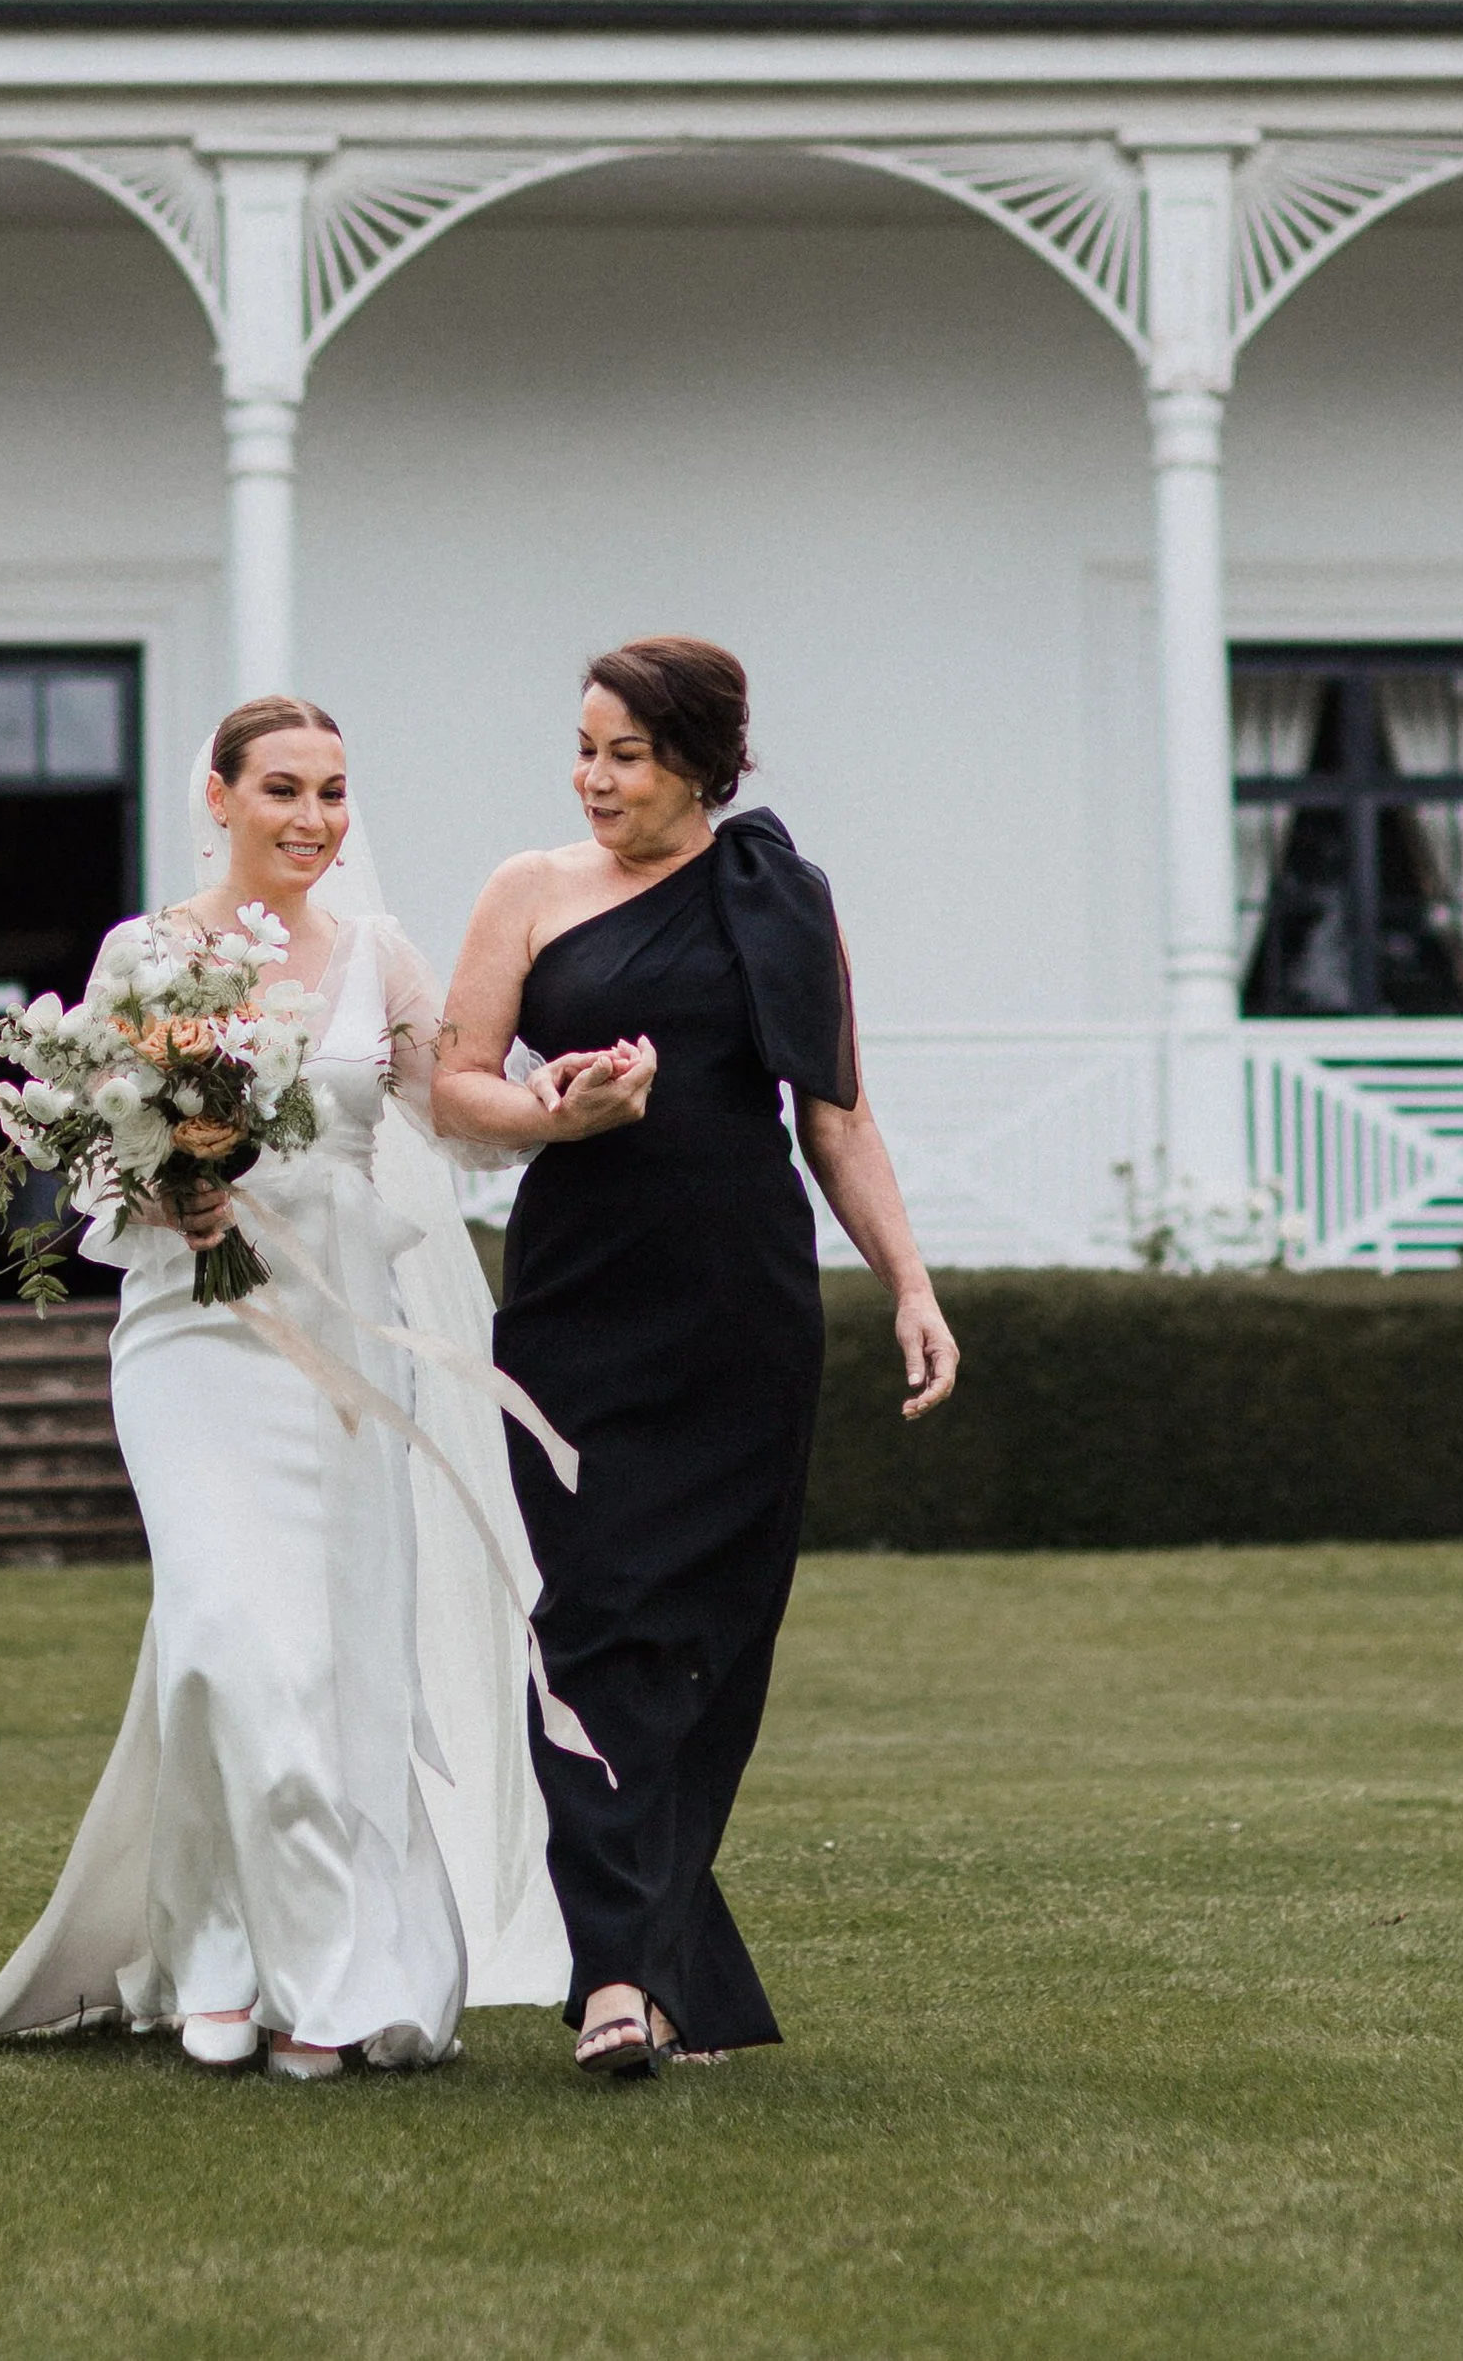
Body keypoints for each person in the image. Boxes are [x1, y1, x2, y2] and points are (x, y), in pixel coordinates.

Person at [0, 697, 565, 2080]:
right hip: (188, 1341)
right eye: (282, 787)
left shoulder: (376, 957)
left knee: (327, 1660)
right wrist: (163, 1180)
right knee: (226, 1637)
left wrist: (559, 1104)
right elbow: (86, 1138)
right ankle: (226, 1951)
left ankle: (311, 1975)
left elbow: (447, 1111)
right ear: (217, 796)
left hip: (337, 1348)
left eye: (334, 791)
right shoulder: (144, 956)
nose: (313, 818)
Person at [434, 636, 958, 2077]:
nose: (595, 777)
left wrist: (908, 1283)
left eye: (628, 753)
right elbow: (454, 1083)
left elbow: (837, 1115)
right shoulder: (526, 891)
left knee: (709, 1650)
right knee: (591, 1623)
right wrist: (557, 1114)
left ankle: (665, 1971)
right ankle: (617, 1974)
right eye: (585, 747)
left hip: (742, 1302)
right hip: (577, 1301)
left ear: (705, 764)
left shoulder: (779, 895)